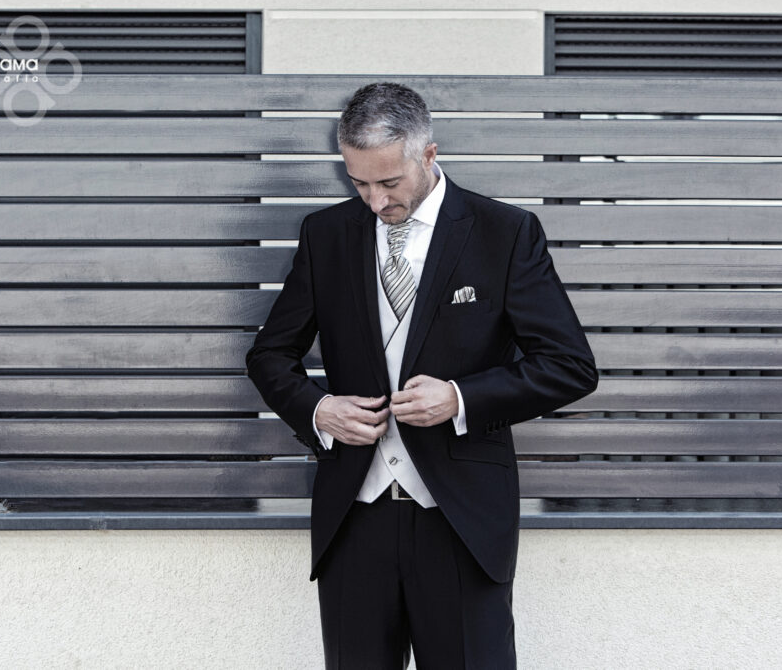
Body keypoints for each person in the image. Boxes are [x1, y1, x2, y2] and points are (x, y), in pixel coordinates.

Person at [246, 82, 598, 669]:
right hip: (355, 517)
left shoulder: (504, 232)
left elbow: (570, 366)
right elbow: (269, 355)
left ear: (429, 154)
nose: (375, 200)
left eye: (389, 182)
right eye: (359, 183)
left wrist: (461, 398)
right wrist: (318, 410)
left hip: (461, 520)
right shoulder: (326, 235)